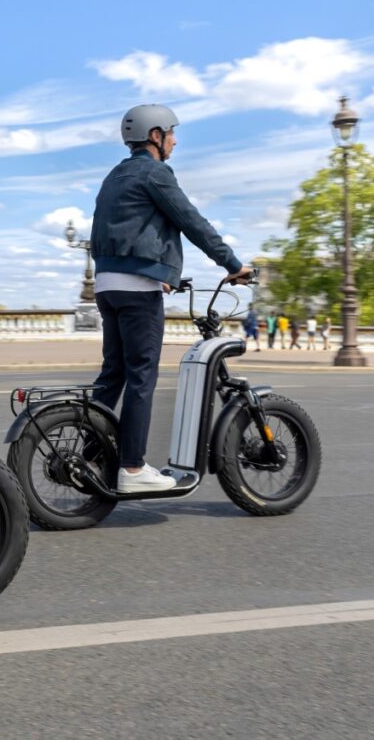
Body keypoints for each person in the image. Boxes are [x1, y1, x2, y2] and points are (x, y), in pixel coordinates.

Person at [89, 103, 252, 493]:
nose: (176, 141)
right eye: (172, 134)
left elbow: (131, 231)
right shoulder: (155, 173)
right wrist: (232, 263)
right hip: (135, 290)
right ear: (155, 136)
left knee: (113, 374)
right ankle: (131, 469)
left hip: (107, 285)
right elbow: (190, 220)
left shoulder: (115, 176)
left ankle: (90, 452)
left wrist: (163, 274)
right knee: (142, 375)